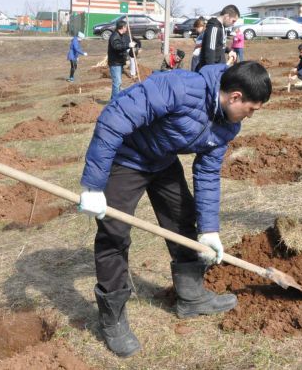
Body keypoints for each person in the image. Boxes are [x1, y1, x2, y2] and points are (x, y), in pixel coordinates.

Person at [77, 61, 272, 357]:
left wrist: (209, 230)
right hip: (127, 159)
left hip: (162, 160)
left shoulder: (228, 125)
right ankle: (112, 318)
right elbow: (114, 117)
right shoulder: (179, 88)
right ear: (234, 96)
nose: (251, 116)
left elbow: (207, 174)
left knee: (183, 220)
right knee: (114, 234)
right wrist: (93, 186)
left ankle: (191, 297)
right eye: (252, 108)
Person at [197, 5, 240, 71]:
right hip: (211, 72)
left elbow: (219, 45)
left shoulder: (221, 27)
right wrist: (213, 74)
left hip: (218, 68)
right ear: (227, 16)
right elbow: (209, 54)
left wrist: (229, 51)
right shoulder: (214, 28)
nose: (233, 24)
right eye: (233, 21)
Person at [107, 20, 135, 100]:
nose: (126, 28)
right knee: (117, 83)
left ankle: (115, 99)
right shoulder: (114, 36)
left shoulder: (121, 35)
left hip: (119, 62)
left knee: (118, 83)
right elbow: (117, 47)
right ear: (123, 27)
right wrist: (128, 45)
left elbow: (125, 43)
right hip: (115, 63)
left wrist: (132, 45)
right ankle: (114, 101)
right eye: (126, 27)